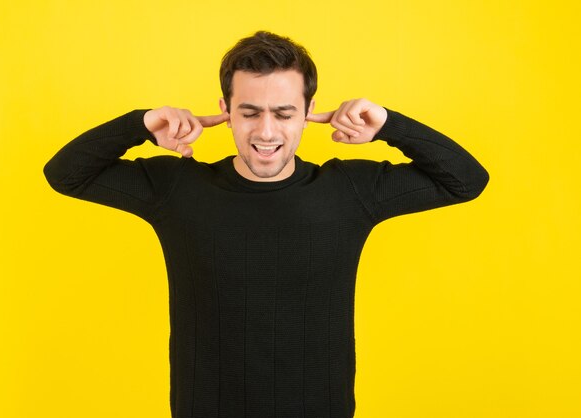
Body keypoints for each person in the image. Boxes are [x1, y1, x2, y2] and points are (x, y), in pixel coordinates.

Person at [44, 30, 488, 418]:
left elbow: (467, 180)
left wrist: (389, 124)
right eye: (250, 112)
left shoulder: (348, 189)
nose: (267, 132)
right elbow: (65, 174)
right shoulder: (177, 188)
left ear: (310, 110)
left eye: (284, 112)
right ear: (225, 109)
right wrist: (140, 124)